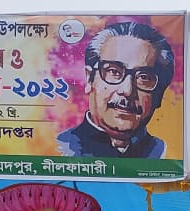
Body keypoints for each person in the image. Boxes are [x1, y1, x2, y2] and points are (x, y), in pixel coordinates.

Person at [57, 20, 174, 159]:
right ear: (89, 79)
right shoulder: (58, 148)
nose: (127, 91)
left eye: (144, 77)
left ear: (159, 94)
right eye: (114, 71)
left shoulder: (164, 153)